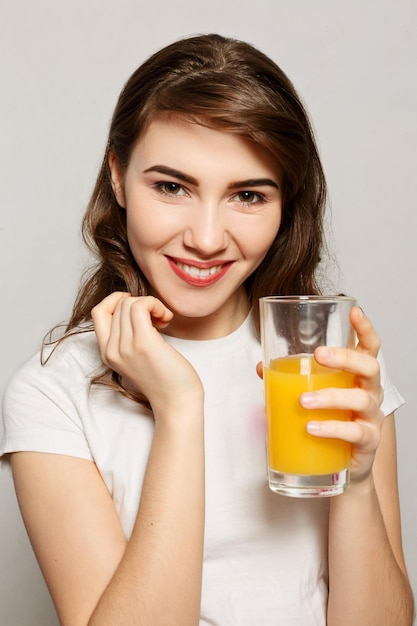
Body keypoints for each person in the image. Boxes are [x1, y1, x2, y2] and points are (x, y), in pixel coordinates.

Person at [0, 33, 414, 626]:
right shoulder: (53, 393)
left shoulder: (334, 367)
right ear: (118, 177)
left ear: (285, 206)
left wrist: (354, 477)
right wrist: (179, 406)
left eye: (247, 195)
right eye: (171, 187)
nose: (207, 237)